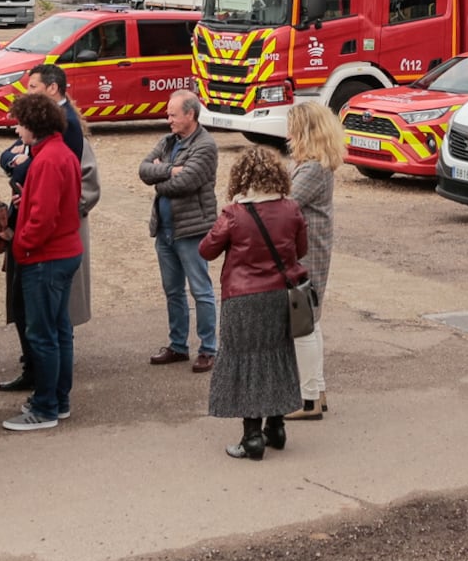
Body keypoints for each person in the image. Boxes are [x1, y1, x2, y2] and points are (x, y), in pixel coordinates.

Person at [199, 147, 308, 460]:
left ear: (241, 178)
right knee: (276, 355)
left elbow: (206, 250)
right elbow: (300, 250)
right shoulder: (291, 208)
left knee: (245, 361)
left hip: (243, 297)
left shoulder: (234, 214)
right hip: (279, 295)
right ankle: (276, 428)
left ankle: (251, 436)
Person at [0, 64, 99, 395]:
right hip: (50, 241)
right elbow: (8, 160)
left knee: (49, 325)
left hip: (47, 246)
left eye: (34, 87)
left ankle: (47, 395)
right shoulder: (49, 143)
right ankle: (49, 387)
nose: (16, 131)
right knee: (47, 322)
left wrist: (22, 244)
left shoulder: (58, 146)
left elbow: (47, 209)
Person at [2, 93, 83, 433]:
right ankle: (58, 400)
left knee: (43, 334)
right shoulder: (58, 153)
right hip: (63, 252)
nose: (17, 130)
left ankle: (46, 405)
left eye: (20, 124)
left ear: (32, 125)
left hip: (46, 257)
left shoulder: (48, 160)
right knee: (59, 330)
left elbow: (43, 218)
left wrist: (20, 244)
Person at [138, 91, 221, 371]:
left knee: (201, 290)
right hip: (165, 230)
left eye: (173, 114)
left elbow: (185, 183)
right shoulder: (168, 140)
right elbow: (143, 169)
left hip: (192, 230)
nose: (168, 119)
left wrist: (162, 175)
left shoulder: (206, 146)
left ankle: (208, 349)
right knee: (172, 290)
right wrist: (171, 170)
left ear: (191, 115)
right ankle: (178, 346)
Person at [282, 102, 339, 421]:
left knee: (304, 324)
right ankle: (317, 391)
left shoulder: (313, 167)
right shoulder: (311, 164)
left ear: (305, 132)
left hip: (308, 254)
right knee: (309, 322)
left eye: (292, 129)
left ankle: (309, 400)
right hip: (310, 251)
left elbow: (286, 203)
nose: (287, 135)